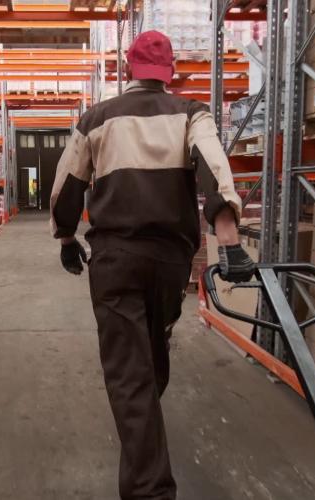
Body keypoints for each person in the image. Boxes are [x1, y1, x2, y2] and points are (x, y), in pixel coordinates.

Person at [49, 31, 256, 500]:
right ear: (169, 73)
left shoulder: (97, 118)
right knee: (148, 361)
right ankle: (146, 471)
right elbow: (214, 167)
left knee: (131, 373)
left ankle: (150, 492)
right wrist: (229, 241)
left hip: (115, 260)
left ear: (128, 68)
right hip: (168, 262)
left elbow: (67, 184)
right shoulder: (191, 113)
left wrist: (65, 236)